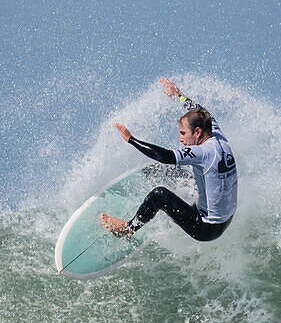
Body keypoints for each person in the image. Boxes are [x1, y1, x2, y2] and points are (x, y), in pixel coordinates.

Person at [100, 78, 237, 241]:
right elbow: (202, 112)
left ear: (198, 132)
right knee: (174, 171)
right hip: (226, 218)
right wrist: (179, 96)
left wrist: (131, 139)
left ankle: (128, 229)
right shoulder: (218, 137)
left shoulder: (203, 152)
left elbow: (165, 156)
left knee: (159, 195)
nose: (181, 139)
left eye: (183, 133)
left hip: (206, 228)